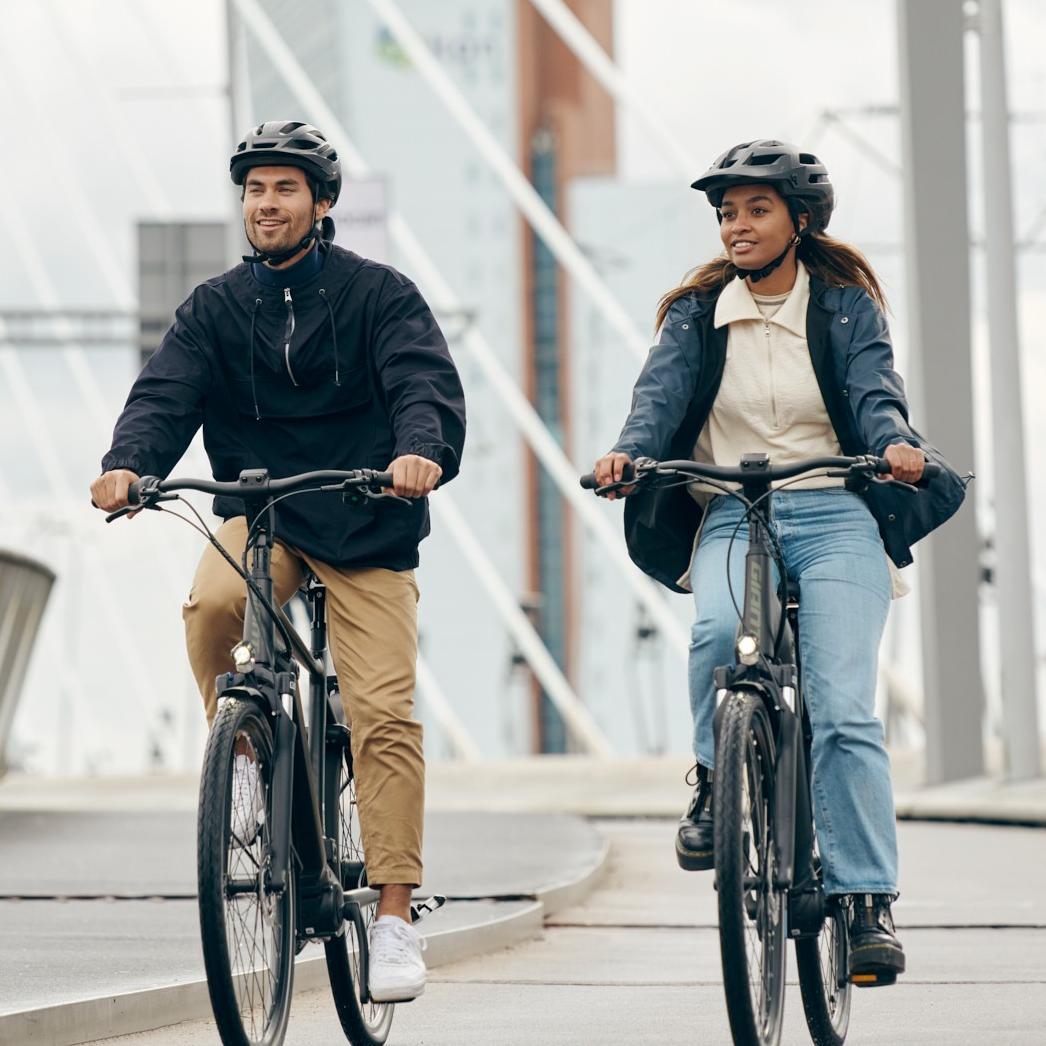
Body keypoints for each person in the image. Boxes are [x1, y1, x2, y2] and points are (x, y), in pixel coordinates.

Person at [91, 120, 466, 1002]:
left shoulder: (382, 296)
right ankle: (250, 752)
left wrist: (421, 453)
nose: (266, 203)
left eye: (285, 189)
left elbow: (423, 384)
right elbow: (165, 392)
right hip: (264, 515)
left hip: (367, 517)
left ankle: (394, 916)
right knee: (209, 608)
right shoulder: (216, 308)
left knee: (381, 714)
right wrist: (128, 465)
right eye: (255, 189)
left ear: (321, 203)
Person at [592, 140, 965, 985]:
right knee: (718, 633)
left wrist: (896, 443)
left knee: (842, 709)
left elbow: (873, 389)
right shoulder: (695, 314)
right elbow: (659, 397)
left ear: (799, 221)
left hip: (835, 510)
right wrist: (630, 453)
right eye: (726, 212)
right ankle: (714, 785)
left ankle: (866, 900)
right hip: (733, 507)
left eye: (755, 209)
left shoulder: (842, 308)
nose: (737, 225)